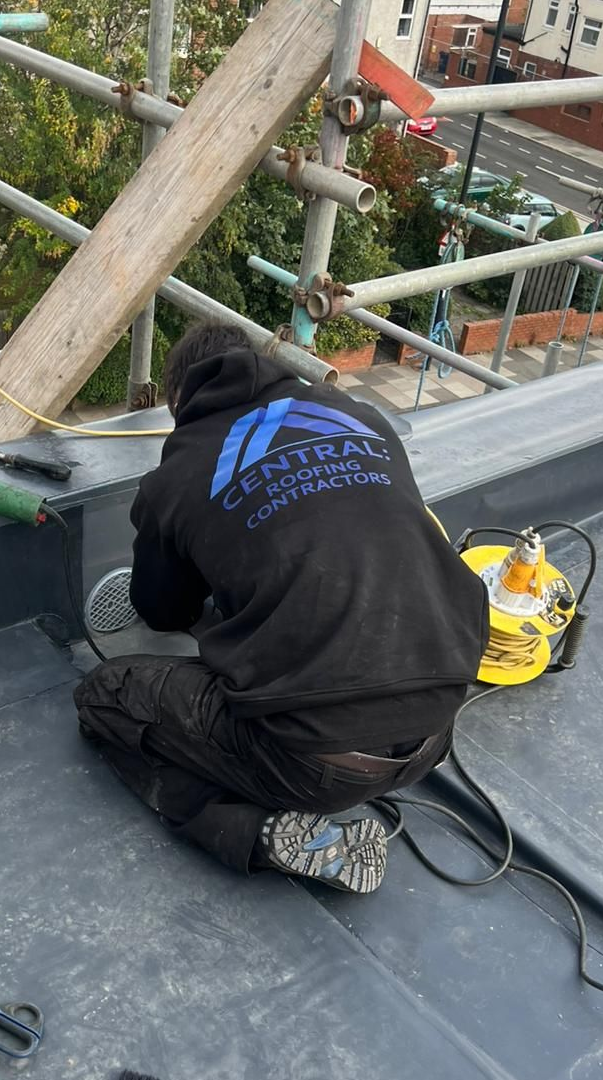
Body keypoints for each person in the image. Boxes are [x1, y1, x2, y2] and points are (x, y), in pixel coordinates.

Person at [74, 322, 488, 894]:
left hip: (311, 764)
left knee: (104, 698)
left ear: (178, 399)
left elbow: (162, 610)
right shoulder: (361, 417)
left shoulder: (179, 473)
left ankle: (257, 832)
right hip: (436, 730)